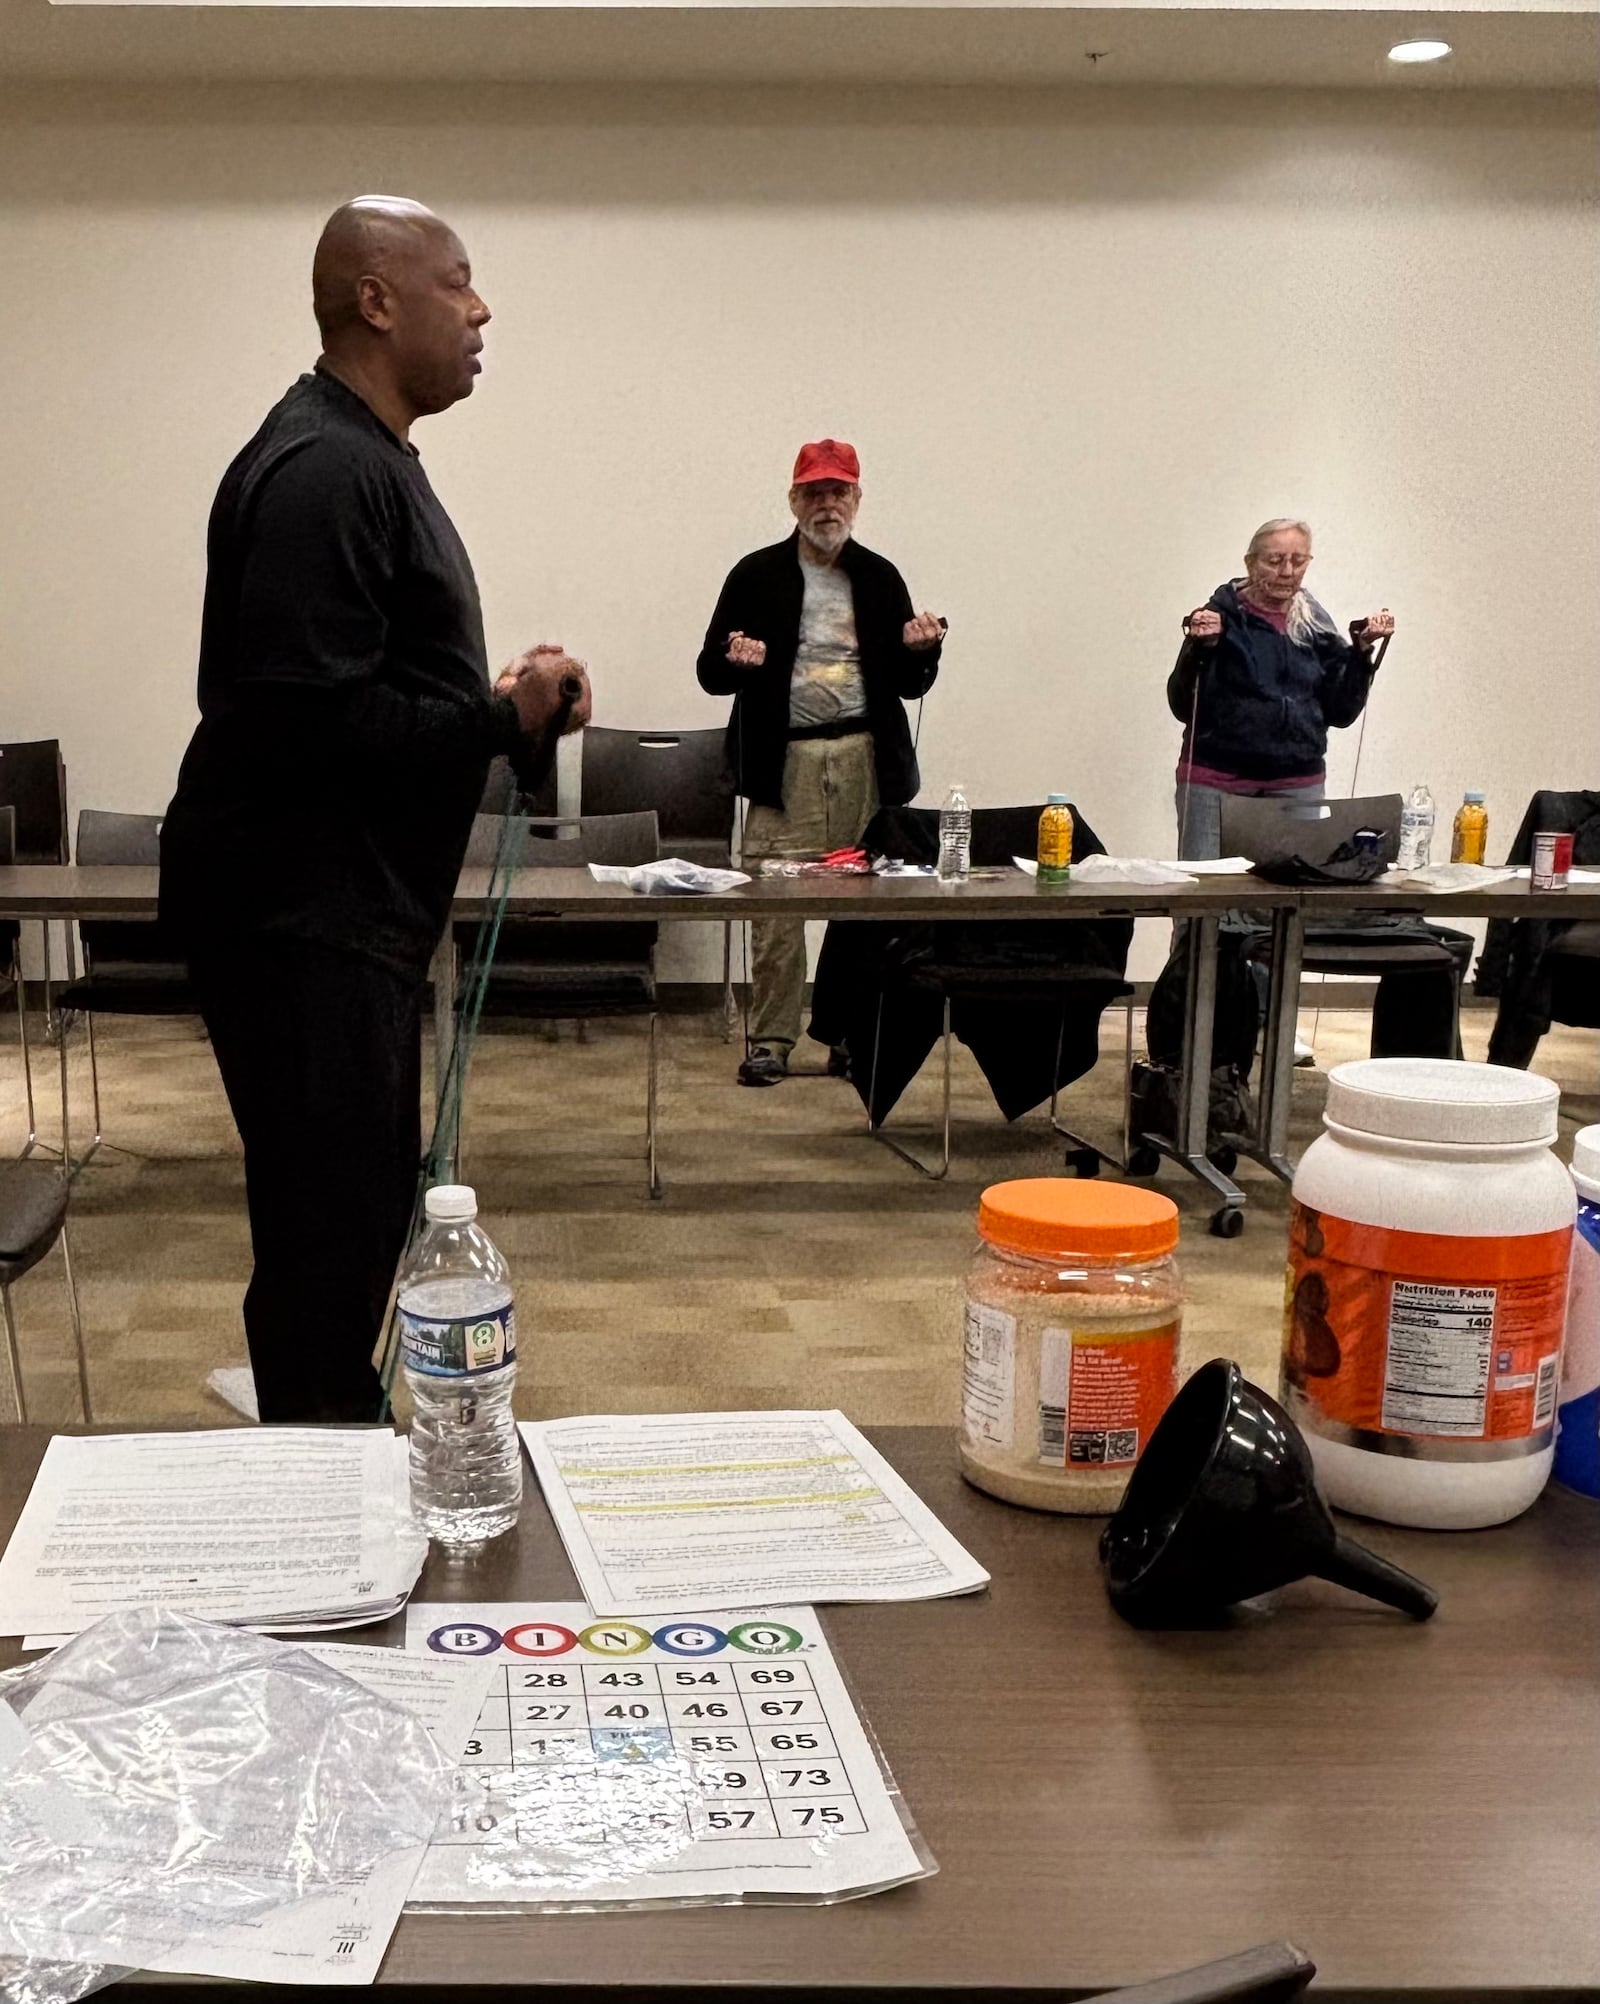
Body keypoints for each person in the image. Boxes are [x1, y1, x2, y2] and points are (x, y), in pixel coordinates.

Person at [160, 196, 591, 1423]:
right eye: (457, 282)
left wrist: (495, 703)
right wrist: (499, 720)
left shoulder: (358, 457)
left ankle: (328, 1464)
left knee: (342, 1220)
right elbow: (305, 727)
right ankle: (321, 1509)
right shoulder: (327, 469)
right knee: (325, 1238)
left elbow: (359, 692)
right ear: (376, 300)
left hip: (334, 912)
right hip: (304, 916)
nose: (481, 308)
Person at [695, 440, 945, 1086]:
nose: (827, 504)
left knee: (864, 908)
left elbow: (909, 684)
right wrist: (734, 659)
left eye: (839, 492)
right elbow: (709, 673)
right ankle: (772, 1039)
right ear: (793, 501)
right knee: (776, 905)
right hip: (787, 766)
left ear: (857, 500)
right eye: (814, 492)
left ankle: (847, 1034)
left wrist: (922, 651)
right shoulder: (753, 575)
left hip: (865, 758)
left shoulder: (881, 577)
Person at [1168, 517, 1395, 859]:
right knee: (1206, 897)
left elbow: (1341, 712)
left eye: (1298, 560)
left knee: (1293, 896)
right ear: (1250, 563)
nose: (1287, 571)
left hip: (1296, 784)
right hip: (1215, 782)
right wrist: (1201, 647)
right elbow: (1182, 705)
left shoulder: (1315, 623)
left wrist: (1361, 653)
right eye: (1274, 561)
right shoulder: (1216, 619)